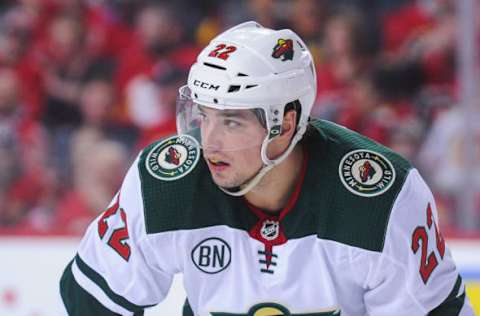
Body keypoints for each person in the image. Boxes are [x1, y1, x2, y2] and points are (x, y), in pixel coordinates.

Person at [59, 21, 473, 315]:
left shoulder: (380, 198)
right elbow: (92, 299)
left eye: (233, 121)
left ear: (286, 124)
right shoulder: (167, 183)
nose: (209, 142)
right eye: (204, 116)